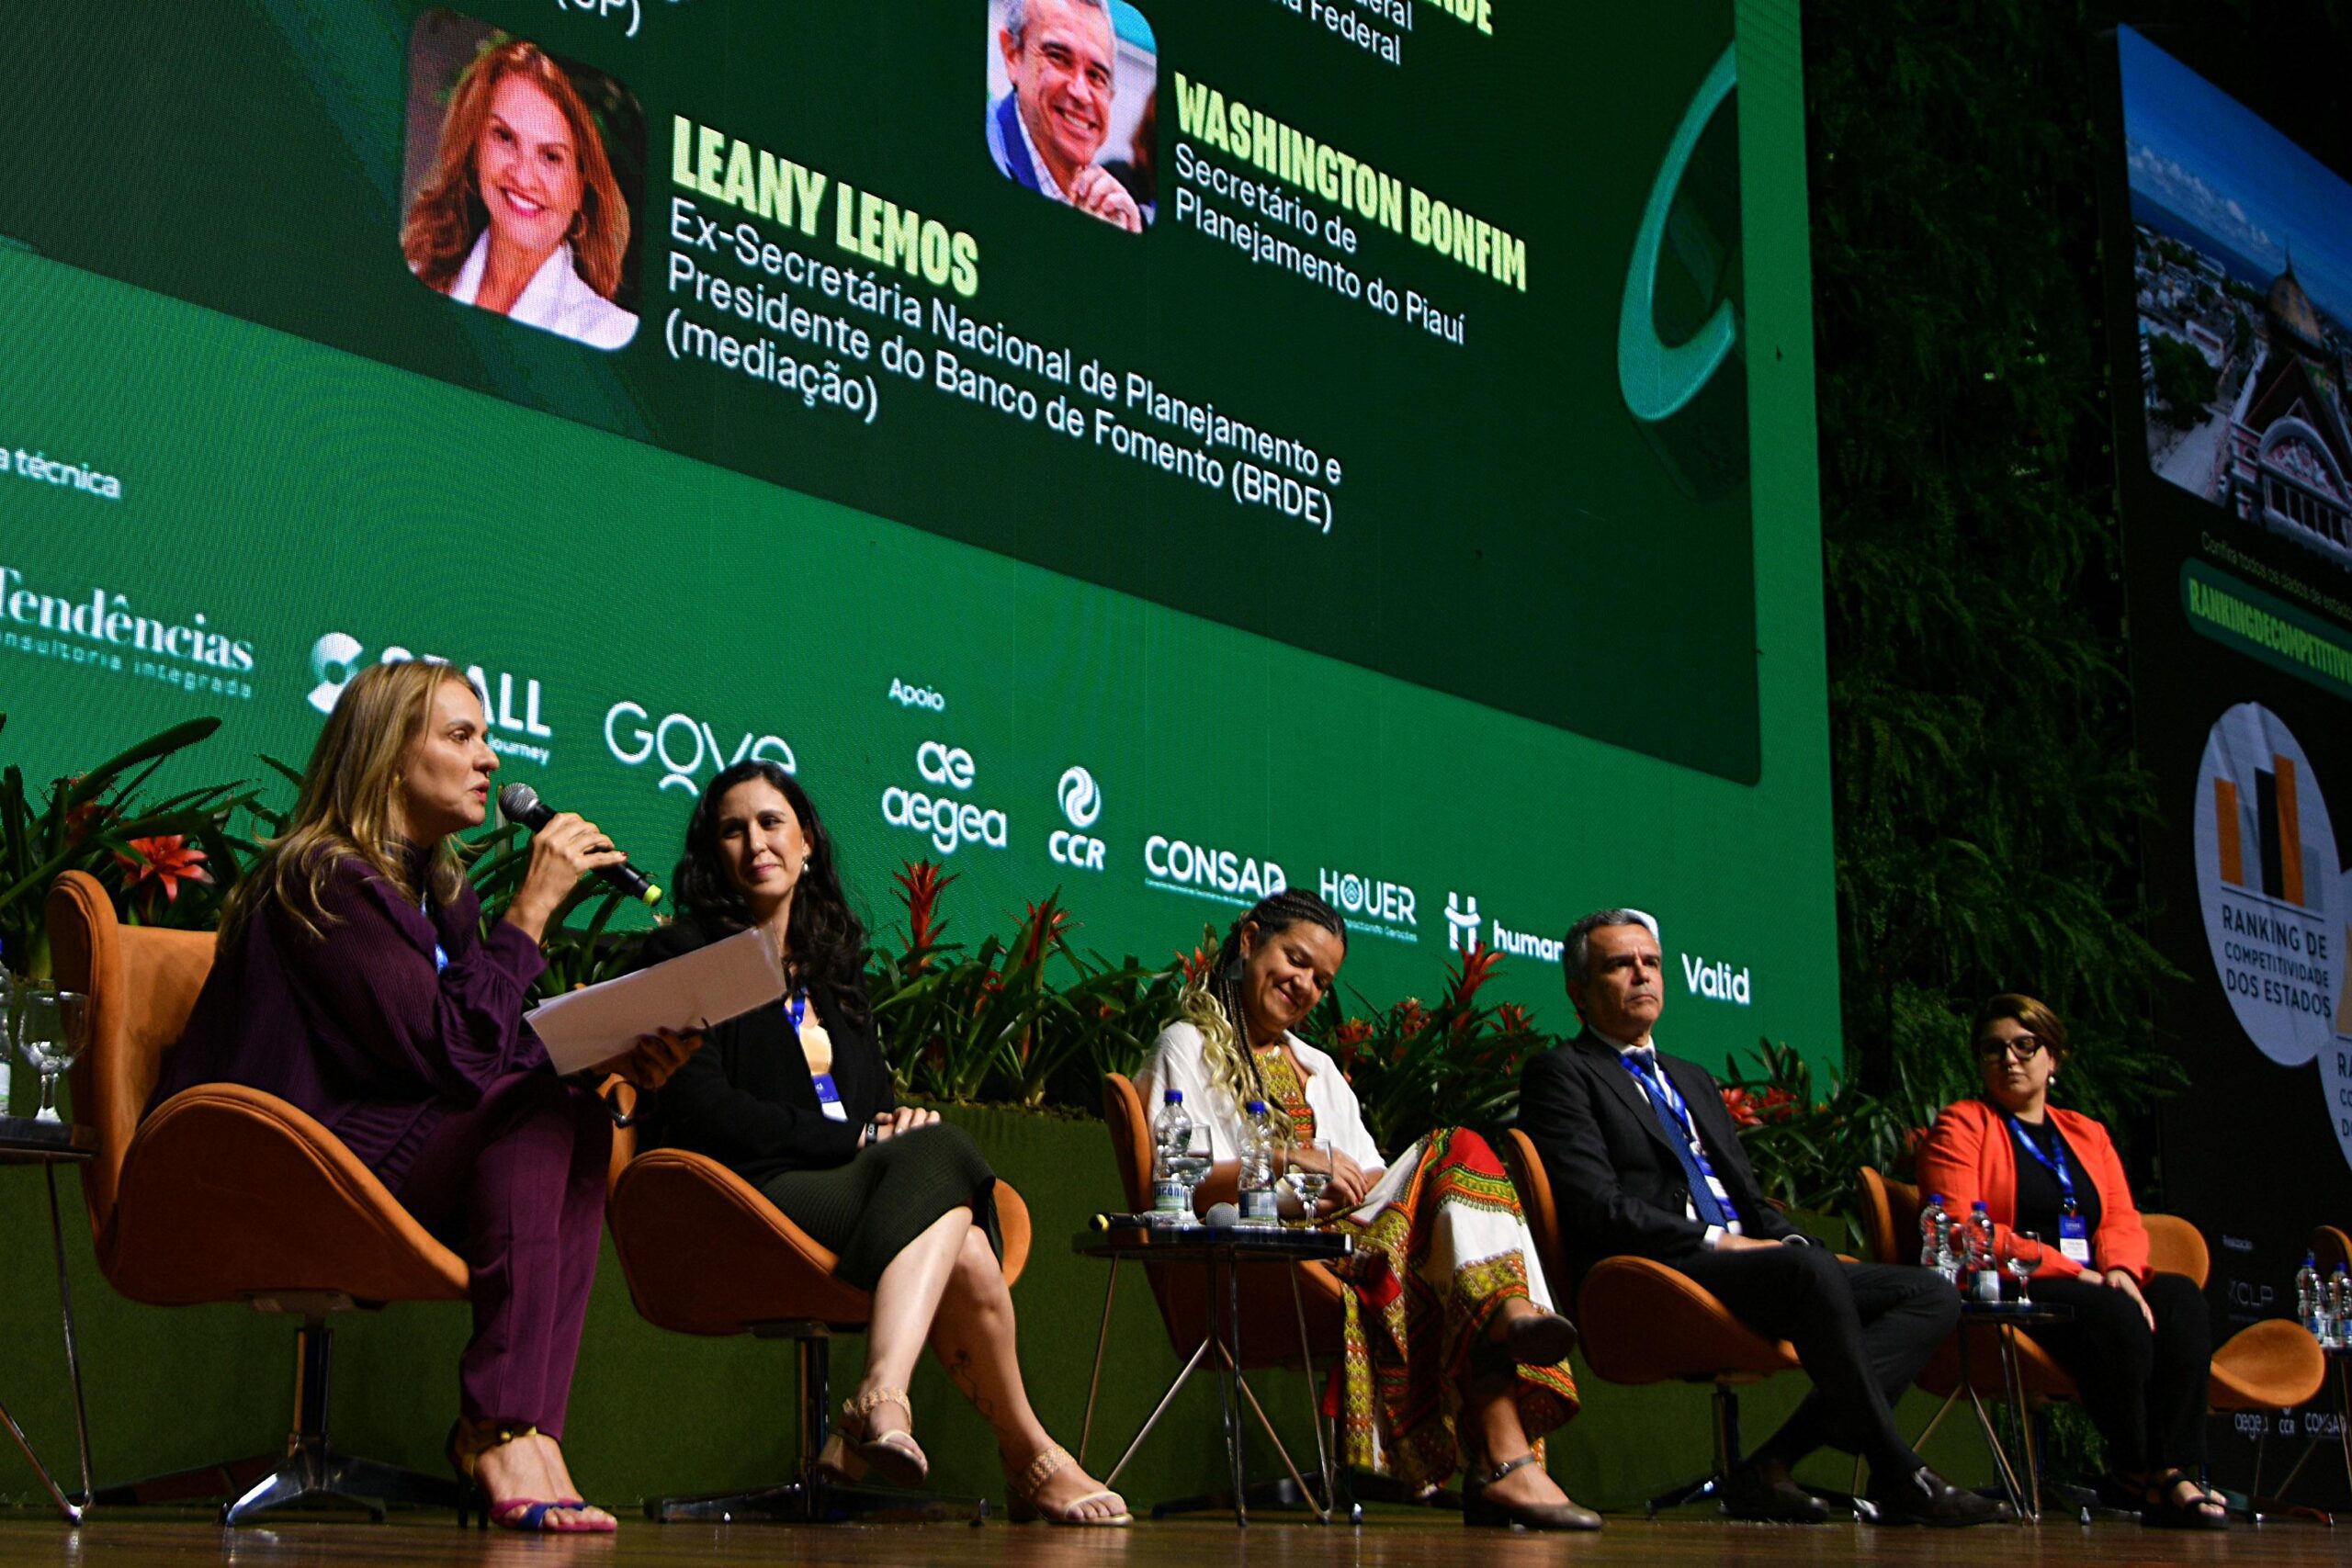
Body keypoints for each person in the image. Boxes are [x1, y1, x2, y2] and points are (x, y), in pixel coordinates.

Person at [157, 660, 694, 1532]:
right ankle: (500, 1426)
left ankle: (522, 1428)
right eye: (459, 736)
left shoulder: (436, 891)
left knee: (577, 1108)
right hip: (289, 1160)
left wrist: (620, 1057)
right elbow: (452, 1058)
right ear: (385, 755)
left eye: (486, 737)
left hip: (392, 1148)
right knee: (532, 1103)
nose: (489, 760)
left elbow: (479, 1057)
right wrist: (529, 912)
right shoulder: (324, 876)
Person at [634, 761, 1129, 1525]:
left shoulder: (836, 970)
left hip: (852, 1180)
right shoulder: (684, 956)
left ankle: (917, 1423)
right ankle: (970, 1431)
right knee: (950, 1173)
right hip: (745, 1190)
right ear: (712, 854)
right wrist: (853, 1136)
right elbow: (704, 1111)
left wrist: (889, 1125)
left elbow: (874, 1101)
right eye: (732, 829)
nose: (755, 842)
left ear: (806, 843)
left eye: (771, 822)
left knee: (960, 1226)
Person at [1518, 908, 2005, 1526]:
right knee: (1807, 1272)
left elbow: (1749, 1196)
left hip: (1752, 1263)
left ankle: (1769, 1464)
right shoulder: (1564, 1073)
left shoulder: (1691, 1077)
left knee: (1930, 1293)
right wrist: (1720, 1242)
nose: (1642, 974)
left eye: (1651, 963)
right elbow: (1598, 1206)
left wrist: (1788, 1240)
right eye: (1620, 964)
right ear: (1578, 992)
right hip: (1659, 1268)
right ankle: (1898, 1472)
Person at [1138, 890, 1599, 1530]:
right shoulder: (1186, 1044)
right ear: (1248, 941)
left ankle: (1504, 1392)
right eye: (1295, 961)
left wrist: (1378, 1188)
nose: (1304, 986)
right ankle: (1508, 1373)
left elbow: (1374, 1176)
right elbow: (1173, 1180)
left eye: (1322, 981)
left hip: (1353, 1239)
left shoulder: (1318, 1068)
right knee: (1453, 1173)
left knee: (1454, 1156)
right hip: (1265, 1250)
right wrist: (1287, 1160)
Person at [1918, 994, 2223, 1529]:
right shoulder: (1963, 1125)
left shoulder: (2086, 1133)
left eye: (2023, 1046)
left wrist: (2123, 1271)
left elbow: (2120, 1219)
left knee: (2179, 1301)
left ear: (2052, 1058)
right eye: (1994, 1050)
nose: (2009, 1059)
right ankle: (2142, 1472)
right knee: (2113, 1314)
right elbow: (1966, 1230)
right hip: (2014, 1282)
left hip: (2091, 1280)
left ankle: (2170, 1468)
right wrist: (2068, 1268)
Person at [401, 38, 639, 348]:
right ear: (476, 149)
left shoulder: (609, 333)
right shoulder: (414, 273)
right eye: (504, 136)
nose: (523, 176)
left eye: (551, 156)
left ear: (581, 189)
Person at [986, 0, 1145, 231]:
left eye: (1096, 75)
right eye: (1059, 58)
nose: (1081, 93)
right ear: (1013, 55)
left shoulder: (1110, 207)